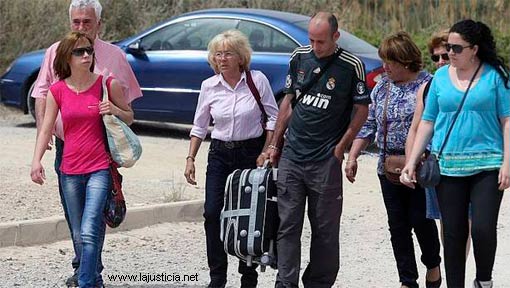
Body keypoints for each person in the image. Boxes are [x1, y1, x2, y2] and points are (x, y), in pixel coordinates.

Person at [31, 0, 142, 286]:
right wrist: (42, 141)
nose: (81, 27)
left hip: (101, 152)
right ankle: (87, 269)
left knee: (93, 219)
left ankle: (89, 276)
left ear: (99, 24)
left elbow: (127, 108)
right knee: (76, 218)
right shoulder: (55, 52)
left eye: (87, 22)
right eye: (77, 22)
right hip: (66, 149)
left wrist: (114, 111)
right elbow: (43, 93)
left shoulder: (115, 56)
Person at [261, 12, 370, 288]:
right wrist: (276, 143)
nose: (315, 46)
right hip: (293, 157)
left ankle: (318, 283)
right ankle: (286, 283)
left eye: (321, 41)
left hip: (325, 160)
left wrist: (343, 146)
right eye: (311, 39)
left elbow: (361, 108)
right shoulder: (299, 56)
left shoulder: (351, 65)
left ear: (336, 36)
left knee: (325, 230)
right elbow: (288, 101)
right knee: (287, 225)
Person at [401, 20, 510, 288]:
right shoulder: (438, 78)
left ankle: (484, 280)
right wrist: (411, 162)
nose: (450, 53)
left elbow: (508, 120)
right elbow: (427, 121)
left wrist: (508, 162)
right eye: (449, 47)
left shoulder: (496, 76)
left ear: (474, 49)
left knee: (483, 228)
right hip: (448, 166)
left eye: (457, 48)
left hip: (488, 164)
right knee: (452, 233)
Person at [346, 32, 442, 288]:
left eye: (390, 62)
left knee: (421, 220)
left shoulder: (429, 85)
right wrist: (353, 155)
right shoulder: (382, 87)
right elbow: (369, 125)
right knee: (397, 226)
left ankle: (433, 266)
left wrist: (421, 155)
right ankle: (407, 280)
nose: (385, 67)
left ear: (406, 60)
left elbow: (435, 125)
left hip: (419, 165)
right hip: (387, 167)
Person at [184, 29, 278, 288]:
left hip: (251, 153)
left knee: (251, 215)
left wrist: (266, 149)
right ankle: (217, 276)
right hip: (220, 153)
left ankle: (248, 274)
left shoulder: (257, 81)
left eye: (228, 53)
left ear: (241, 57)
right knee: (212, 213)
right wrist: (190, 158)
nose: (222, 59)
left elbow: (272, 117)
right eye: (218, 54)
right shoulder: (209, 86)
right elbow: (200, 126)